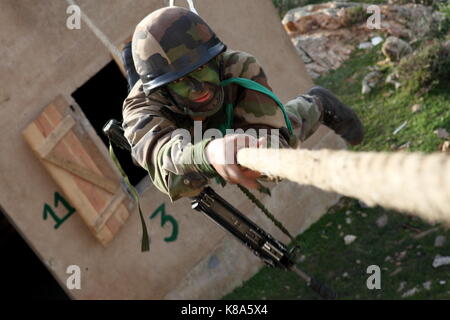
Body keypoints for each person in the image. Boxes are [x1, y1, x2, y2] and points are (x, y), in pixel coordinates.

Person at [122, 6, 364, 201]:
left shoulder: (237, 66)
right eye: (180, 81)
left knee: (270, 166)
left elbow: (271, 144)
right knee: (180, 180)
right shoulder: (140, 107)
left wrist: (245, 152)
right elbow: (161, 153)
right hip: (181, 138)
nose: (198, 88)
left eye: (201, 69)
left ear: (216, 59)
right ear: (161, 89)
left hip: (231, 117)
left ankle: (318, 104)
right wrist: (208, 153)